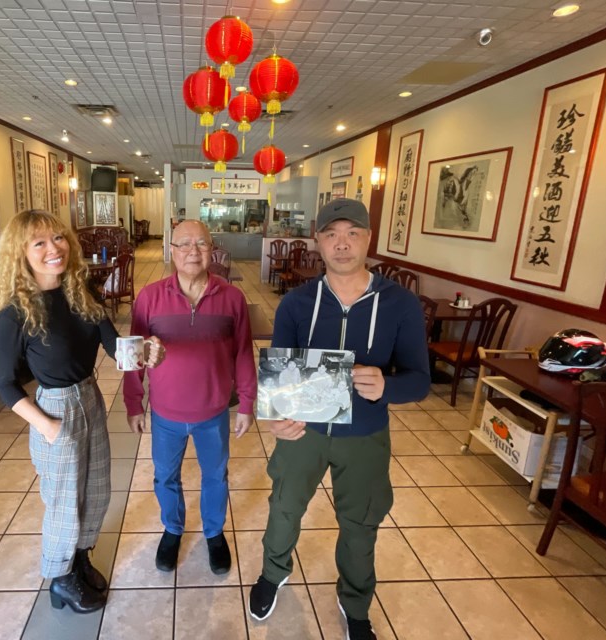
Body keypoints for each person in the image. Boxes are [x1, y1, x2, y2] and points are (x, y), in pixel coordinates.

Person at [248, 199, 430, 640]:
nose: (342, 243)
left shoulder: (400, 304)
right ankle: (273, 573)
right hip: (303, 433)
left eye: (352, 233)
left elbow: (420, 381)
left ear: (368, 239)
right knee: (285, 507)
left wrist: (388, 386)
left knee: (361, 521)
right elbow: (279, 375)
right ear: (319, 241)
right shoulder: (296, 302)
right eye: (332, 234)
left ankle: (355, 602)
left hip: (365, 434)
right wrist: (274, 417)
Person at [0, 210, 164, 614]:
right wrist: (46, 425)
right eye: (40, 243)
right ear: (21, 254)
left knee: (97, 489)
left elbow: (113, 346)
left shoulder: (81, 291)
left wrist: (145, 352)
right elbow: (6, 385)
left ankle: (81, 558)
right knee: (65, 499)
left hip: (90, 399)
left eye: (58, 238)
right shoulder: (13, 313)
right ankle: (61, 577)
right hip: (54, 407)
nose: (54, 249)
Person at [124, 220, 257, 575]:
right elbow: (134, 356)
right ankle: (173, 529)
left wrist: (247, 402)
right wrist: (134, 403)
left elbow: (244, 353)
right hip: (165, 413)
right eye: (184, 244)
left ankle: (214, 532)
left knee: (216, 476)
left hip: (213, 412)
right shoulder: (150, 297)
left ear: (211, 249)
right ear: (171, 250)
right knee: (165, 476)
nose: (193, 252)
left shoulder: (231, 298)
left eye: (201, 244)